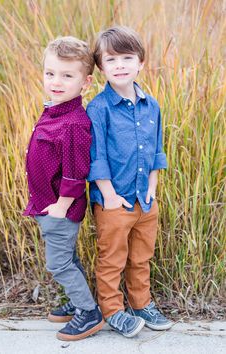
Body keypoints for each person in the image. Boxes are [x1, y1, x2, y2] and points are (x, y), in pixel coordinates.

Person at [87, 26, 173, 337]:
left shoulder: (153, 106)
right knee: (112, 259)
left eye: (127, 57)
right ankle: (113, 310)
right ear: (101, 67)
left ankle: (141, 303)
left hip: (145, 199)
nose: (120, 65)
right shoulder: (98, 109)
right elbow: (96, 158)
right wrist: (108, 196)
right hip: (114, 201)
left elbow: (156, 151)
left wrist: (152, 187)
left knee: (141, 257)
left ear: (141, 63)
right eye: (111, 59)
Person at [23, 36, 104, 341]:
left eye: (67, 76)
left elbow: (76, 172)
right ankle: (77, 298)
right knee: (69, 258)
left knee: (58, 263)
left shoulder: (73, 122)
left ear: (85, 83)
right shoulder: (55, 111)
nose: (56, 82)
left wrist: (60, 205)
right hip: (48, 203)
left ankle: (88, 312)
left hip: (60, 208)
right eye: (50, 73)